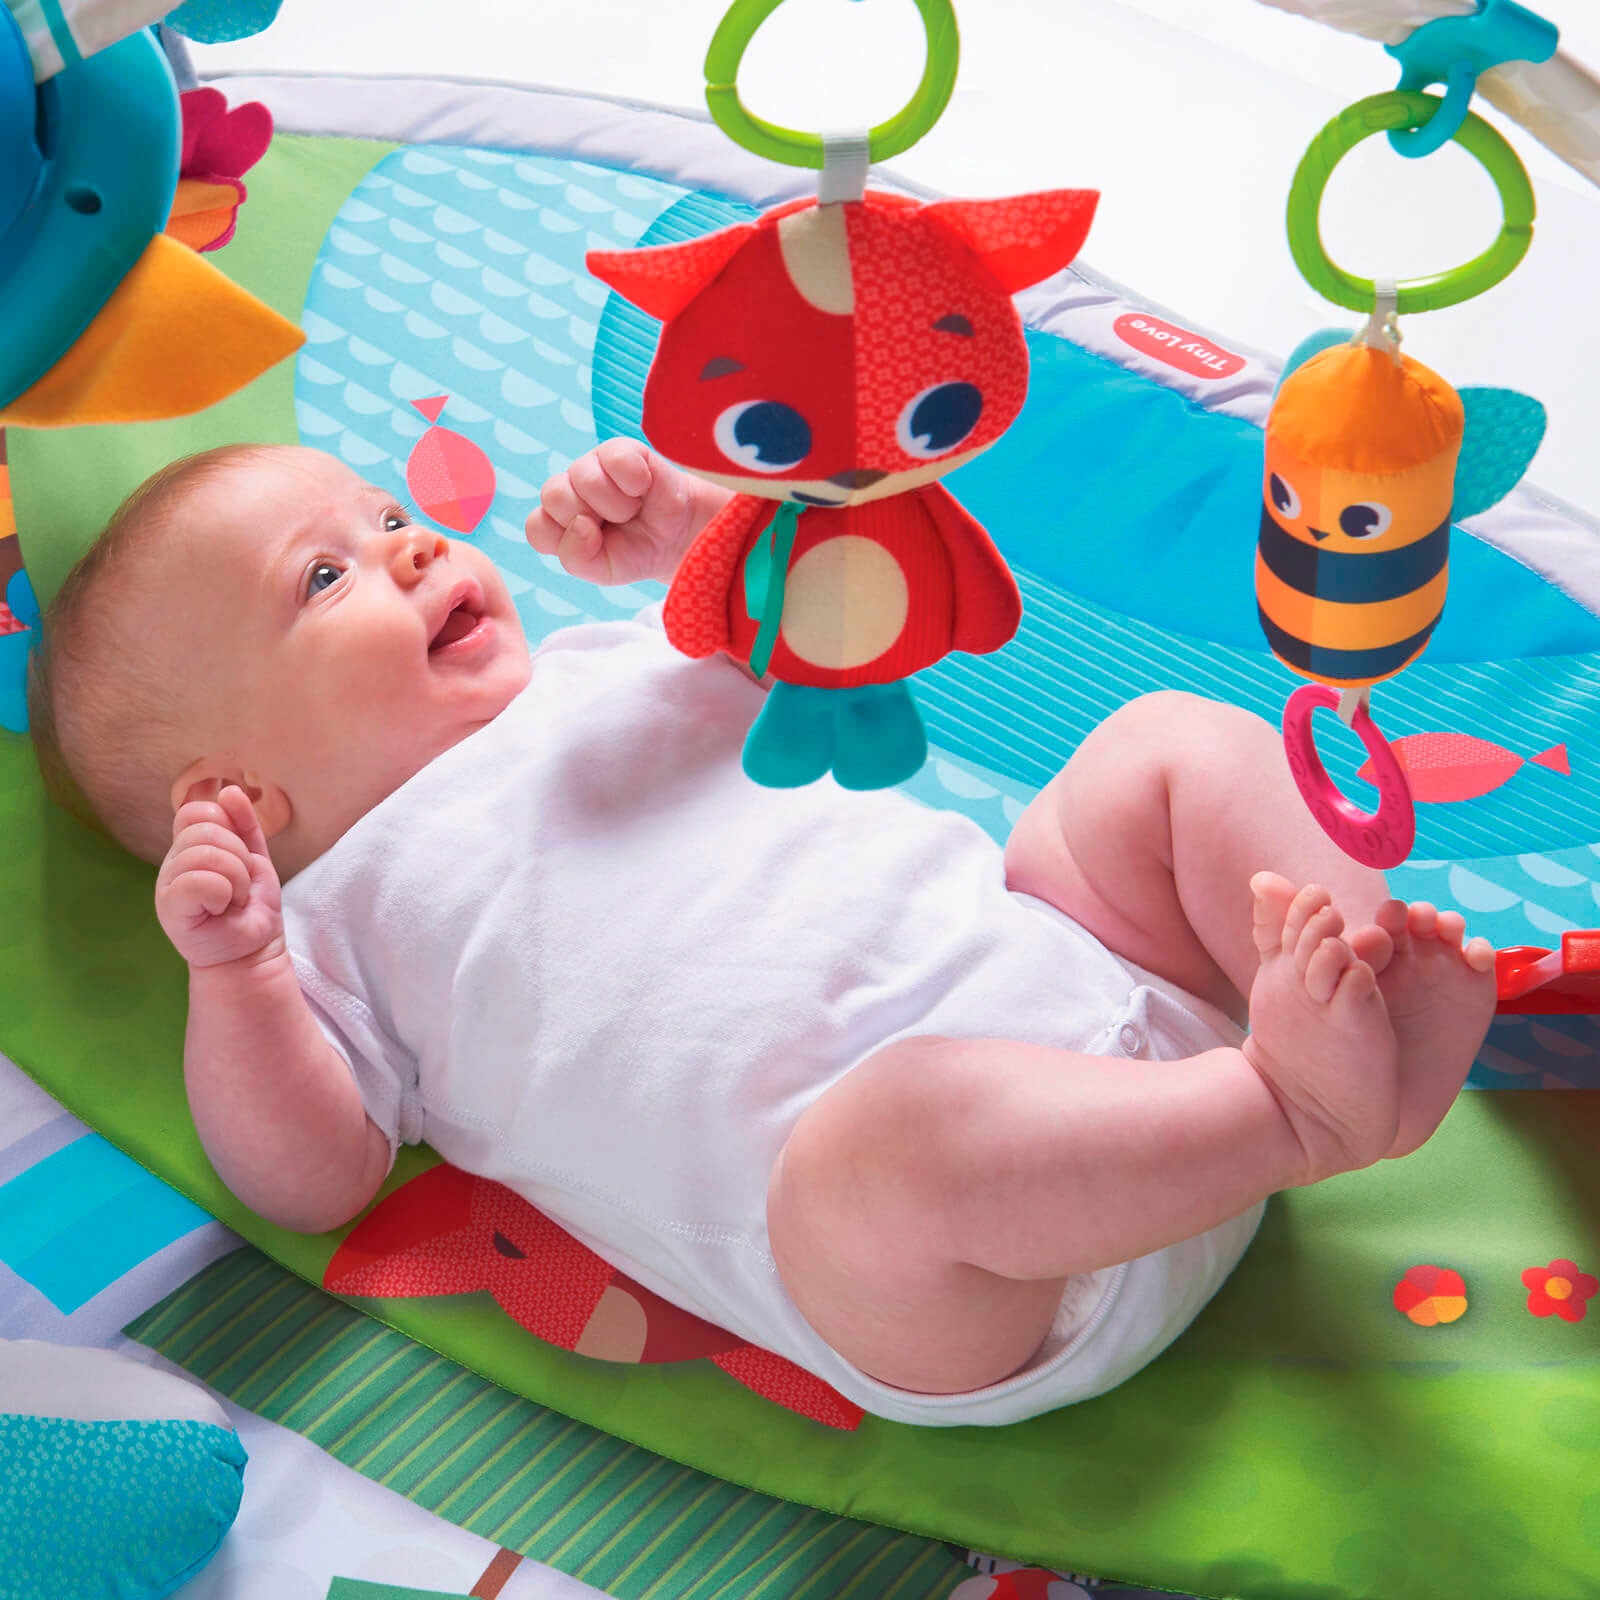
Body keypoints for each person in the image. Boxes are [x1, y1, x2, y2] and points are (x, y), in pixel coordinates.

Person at [26, 440, 1497, 1427]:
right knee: (887, 1143)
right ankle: (1300, 1114)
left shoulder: (602, 663)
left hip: (1107, 986)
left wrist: (705, 545)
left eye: (390, 517)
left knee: (1161, 747)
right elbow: (308, 1180)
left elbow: (823, 671)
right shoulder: (332, 923)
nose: (408, 549)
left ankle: (1353, 1000)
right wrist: (237, 972)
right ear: (242, 797)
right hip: (988, 1276)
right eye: (325, 576)